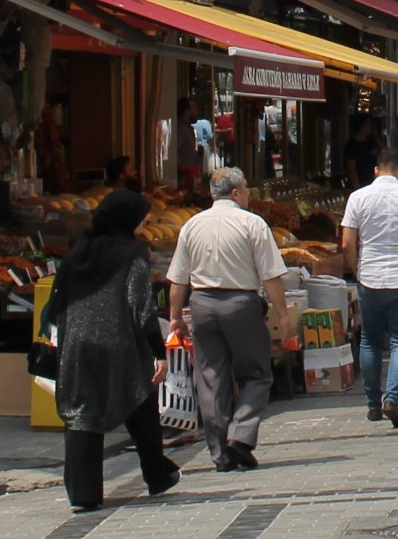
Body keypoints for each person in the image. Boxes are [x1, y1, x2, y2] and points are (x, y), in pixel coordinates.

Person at [46, 189, 178, 512]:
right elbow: (141, 307)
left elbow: (57, 300)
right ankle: (157, 474)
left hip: (77, 346)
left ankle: (83, 494)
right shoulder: (132, 255)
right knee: (140, 403)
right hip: (120, 347)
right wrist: (158, 352)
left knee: (82, 415)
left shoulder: (78, 252)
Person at [166, 167, 290, 474]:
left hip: (202, 305)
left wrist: (174, 317)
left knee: (210, 378)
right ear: (235, 193)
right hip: (241, 304)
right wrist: (283, 314)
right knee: (256, 373)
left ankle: (221, 453)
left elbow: (178, 279)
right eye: (247, 188)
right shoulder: (252, 223)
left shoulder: (192, 225)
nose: (248, 194)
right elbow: (271, 276)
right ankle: (241, 434)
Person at [341, 149, 398, 428]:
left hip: (370, 277)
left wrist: (357, 270)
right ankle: (392, 398)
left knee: (369, 339)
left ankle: (372, 403)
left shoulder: (357, 198)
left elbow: (347, 243)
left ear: (375, 171)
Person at [343, 113, 384, 191]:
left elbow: (385, 153)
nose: (370, 127)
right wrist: (357, 189)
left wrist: (376, 137)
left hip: (373, 183)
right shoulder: (351, 145)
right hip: (360, 183)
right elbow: (352, 169)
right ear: (363, 126)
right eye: (368, 125)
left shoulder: (371, 142)